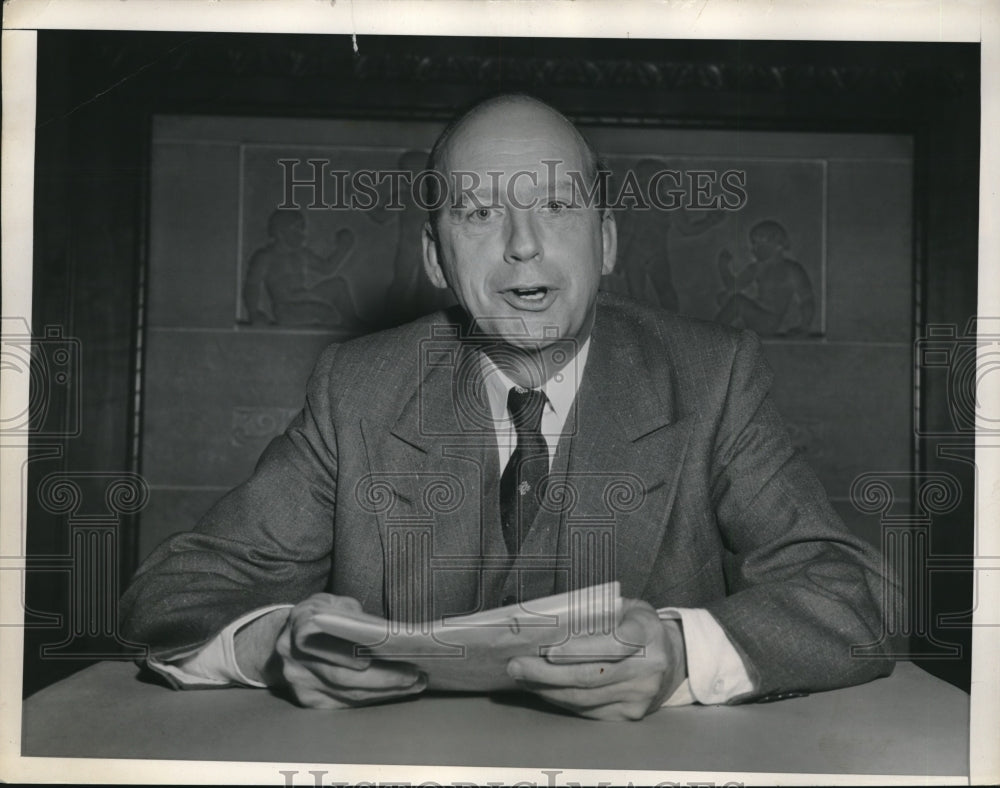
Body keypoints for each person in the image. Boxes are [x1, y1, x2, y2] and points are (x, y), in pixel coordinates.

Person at [120, 94, 894, 721]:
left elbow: (855, 595)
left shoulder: (712, 377)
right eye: (479, 213)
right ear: (436, 258)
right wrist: (275, 647)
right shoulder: (356, 388)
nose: (523, 245)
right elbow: (170, 592)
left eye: (555, 205)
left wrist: (683, 656)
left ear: (606, 242)